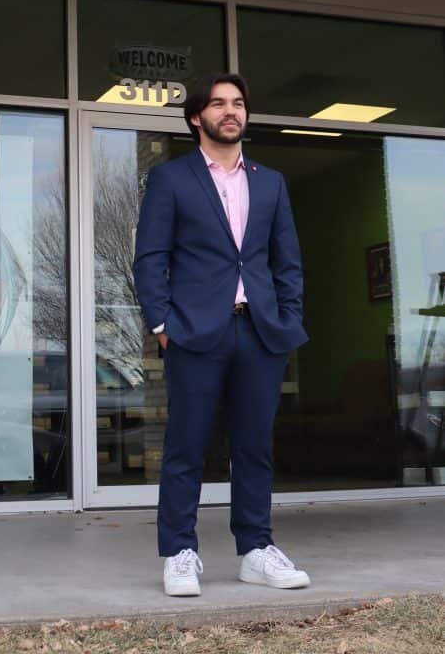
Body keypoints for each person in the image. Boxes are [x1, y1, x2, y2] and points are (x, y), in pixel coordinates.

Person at [133, 73, 309, 597]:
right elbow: (150, 260)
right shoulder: (171, 179)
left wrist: (287, 317)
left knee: (254, 447)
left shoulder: (271, 182)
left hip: (259, 331)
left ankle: (256, 550)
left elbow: (287, 263)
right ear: (197, 118)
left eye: (238, 104)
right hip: (194, 332)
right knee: (186, 447)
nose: (230, 111)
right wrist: (163, 324)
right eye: (218, 104)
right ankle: (179, 553)